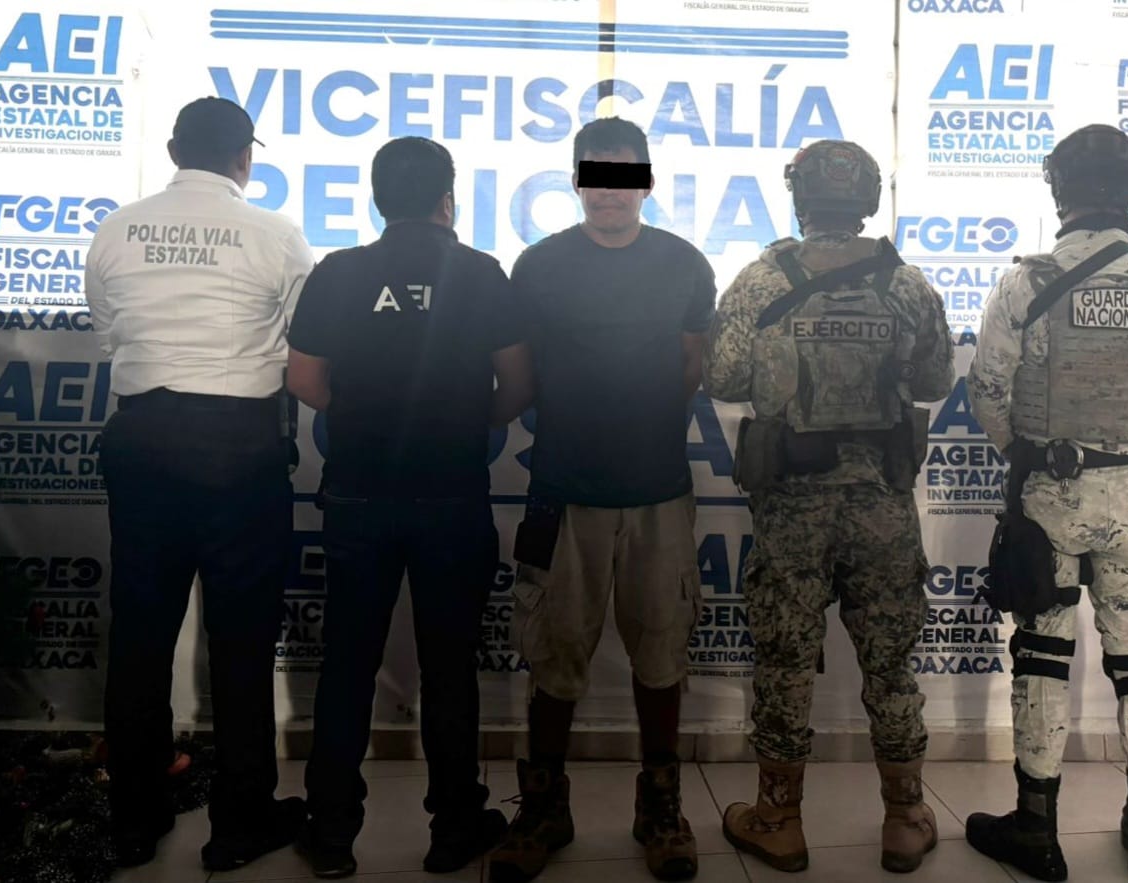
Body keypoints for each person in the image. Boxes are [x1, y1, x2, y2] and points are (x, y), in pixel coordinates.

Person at [964, 124, 1128, 883]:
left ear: (1058, 192)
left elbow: (987, 391)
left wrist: (1031, 455)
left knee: (1041, 655)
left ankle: (1036, 830)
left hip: (1050, 497)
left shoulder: (1026, 282)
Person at [285, 136, 535, 879]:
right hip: (451, 495)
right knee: (450, 666)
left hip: (359, 495)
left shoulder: (339, 272)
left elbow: (303, 380)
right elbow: (520, 385)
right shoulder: (481, 272)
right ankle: (454, 829)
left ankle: (332, 834)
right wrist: (466, 422)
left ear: (376, 201)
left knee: (347, 663)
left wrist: (366, 418)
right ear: (447, 201)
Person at [703, 139, 954, 875]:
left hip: (793, 505)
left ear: (800, 198)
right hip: (881, 504)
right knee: (891, 664)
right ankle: (904, 819)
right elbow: (935, 380)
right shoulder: (905, 283)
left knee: (784, 661)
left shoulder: (760, 280)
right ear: (867, 200)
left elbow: (723, 378)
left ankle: (778, 818)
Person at [85, 96, 314, 871]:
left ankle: (133, 818)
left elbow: (109, 335)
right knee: (242, 639)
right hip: (239, 447)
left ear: (174, 151)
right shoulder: (276, 234)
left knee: (140, 635)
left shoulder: (117, 228)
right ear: (245, 158)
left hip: (142, 437)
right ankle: (239, 821)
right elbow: (302, 342)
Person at [486, 116, 715, 883]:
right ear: (577, 180)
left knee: (662, 653)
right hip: (564, 489)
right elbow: (520, 374)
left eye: (625, 174)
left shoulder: (684, 264)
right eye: (597, 173)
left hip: (657, 490)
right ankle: (543, 806)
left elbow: (689, 365)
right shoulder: (540, 265)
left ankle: (661, 806)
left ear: (646, 182)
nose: (610, 190)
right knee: (553, 654)